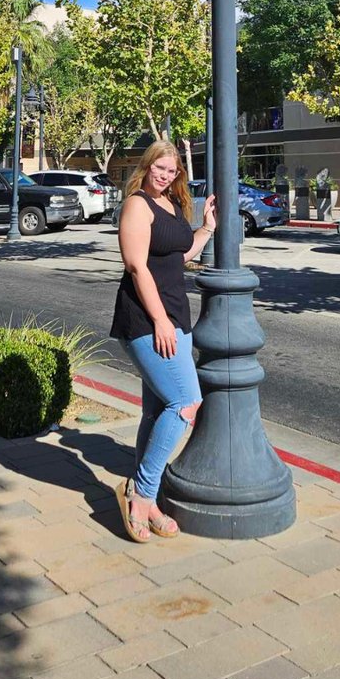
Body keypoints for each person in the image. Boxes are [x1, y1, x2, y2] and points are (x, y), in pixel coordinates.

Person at [111, 141, 216, 543]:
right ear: (147, 165)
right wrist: (159, 320)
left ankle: (148, 502)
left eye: (172, 171)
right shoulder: (137, 204)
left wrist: (206, 226)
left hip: (175, 319)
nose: (165, 175)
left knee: (157, 411)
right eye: (160, 168)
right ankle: (141, 492)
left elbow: (183, 253)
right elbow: (136, 265)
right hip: (147, 320)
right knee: (186, 402)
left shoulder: (172, 205)